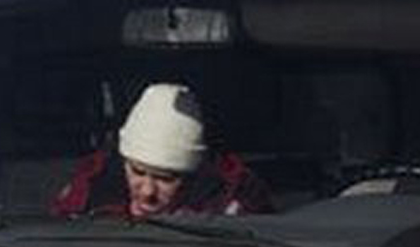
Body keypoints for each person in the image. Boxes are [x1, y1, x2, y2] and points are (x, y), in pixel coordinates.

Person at [52, 82, 270, 219]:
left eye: (165, 179)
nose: (147, 192)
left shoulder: (233, 202)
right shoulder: (90, 191)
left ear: (194, 176)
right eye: (137, 172)